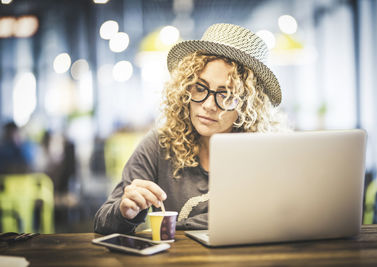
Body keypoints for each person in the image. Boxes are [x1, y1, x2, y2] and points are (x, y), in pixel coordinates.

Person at [94, 23, 289, 234]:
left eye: (226, 94)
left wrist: (181, 226)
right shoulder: (160, 145)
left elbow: (285, 221)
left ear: (248, 105)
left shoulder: (267, 152)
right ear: (186, 88)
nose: (208, 105)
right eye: (200, 88)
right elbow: (102, 224)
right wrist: (125, 212)